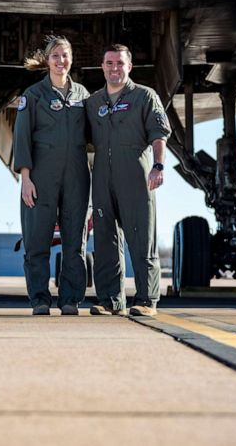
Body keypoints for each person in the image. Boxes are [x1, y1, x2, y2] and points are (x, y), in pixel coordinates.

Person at [86, 44, 171, 316]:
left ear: (129, 66)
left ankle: (147, 300)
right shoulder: (94, 102)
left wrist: (158, 166)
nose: (114, 68)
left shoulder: (145, 96)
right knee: (106, 241)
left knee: (141, 237)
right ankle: (111, 299)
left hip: (135, 174)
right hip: (101, 177)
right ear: (102, 67)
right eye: (109, 63)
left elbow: (159, 133)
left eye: (120, 63)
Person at [13, 36, 91, 316]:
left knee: (75, 242)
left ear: (72, 59)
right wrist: (26, 178)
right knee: (37, 240)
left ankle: (70, 299)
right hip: (41, 176)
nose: (61, 61)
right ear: (47, 60)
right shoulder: (33, 96)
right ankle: (40, 299)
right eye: (56, 56)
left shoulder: (84, 95)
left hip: (77, 177)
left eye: (65, 56)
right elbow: (21, 137)